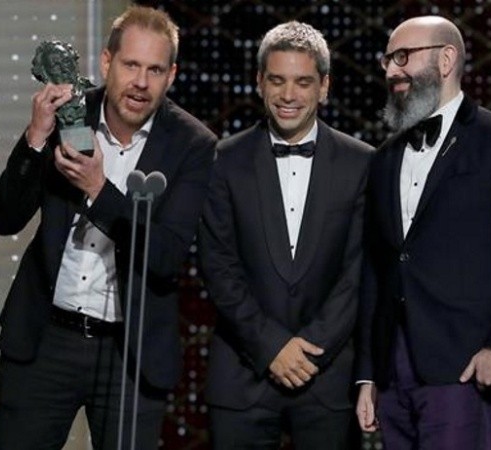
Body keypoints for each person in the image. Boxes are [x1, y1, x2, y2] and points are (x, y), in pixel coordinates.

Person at [0, 5, 217, 450]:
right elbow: (4, 218)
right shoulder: (69, 115)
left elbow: (166, 256)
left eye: (154, 70)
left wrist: (99, 189)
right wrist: (35, 138)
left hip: (129, 355)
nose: (141, 82)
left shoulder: (193, 145)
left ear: (171, 76)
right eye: (131, 65)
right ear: (107, 62)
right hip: (43, 342)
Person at [354, 15, 491, 449]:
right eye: (388, 60)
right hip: (393, 373)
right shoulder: (385, 158)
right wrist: (368, 373)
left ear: (446, 60)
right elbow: (375, 269)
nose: (391, 71)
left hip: (464, 368)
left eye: (402, 57)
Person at [198, 21, 373, 449]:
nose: (288, 95)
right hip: (243, 375)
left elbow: (359, 271)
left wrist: (311, 347)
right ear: (260, 82)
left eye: (303, 82)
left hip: (327, 378)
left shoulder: (362, 163)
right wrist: (271, 347)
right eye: (277, 81)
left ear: (324, 86)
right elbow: (218, 266)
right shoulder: (223, 160)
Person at [31, 40, 94, 127]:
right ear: (45, 75)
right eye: (55, 66)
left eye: (66, 61)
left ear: (75, 62)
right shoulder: (45, 108)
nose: (64, 69)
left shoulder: (97, 96)